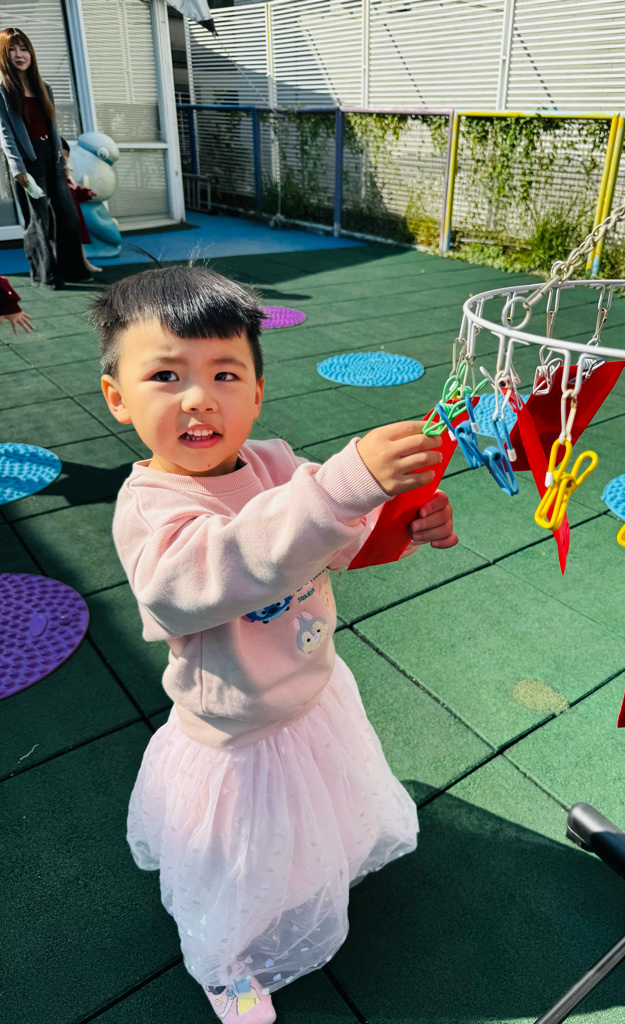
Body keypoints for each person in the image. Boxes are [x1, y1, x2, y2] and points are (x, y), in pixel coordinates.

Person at [94, 265, 458, 1023]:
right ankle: (226, 964)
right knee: (239, 861)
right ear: (118, 397)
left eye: (225, 374)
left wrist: (403, 523)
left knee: (315, 814)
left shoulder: (275, 462)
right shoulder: (150, 507)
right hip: (234, 730)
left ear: (256, 392)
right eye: (165, 375)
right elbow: (202, 576)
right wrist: (343, 488)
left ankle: (313, 872)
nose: (199, 398)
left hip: (311, 692)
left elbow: (338, 536)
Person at [0, 27, 90, 288]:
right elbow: (5, 132)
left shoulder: (44, 88)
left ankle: (73, 270)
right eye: (12, 50)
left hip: (52, 157)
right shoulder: (3, 90)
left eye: (24, 49)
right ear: (4, 55)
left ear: (31, 53)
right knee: (39, 221)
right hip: (26, 162)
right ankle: (46, 276)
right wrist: (17, 167)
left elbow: (51, 125)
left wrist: (60, 153)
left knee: (68, 216)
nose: (19, 55)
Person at [60, 136, 101, 275]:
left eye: (66, 155)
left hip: (74, 216)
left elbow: (75, 193)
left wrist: (86, 193)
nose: (65, 158)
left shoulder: (67, 177)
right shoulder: (55, 178)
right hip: (64, 218)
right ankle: (73, 267)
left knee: (78, 242)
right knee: (67, 244)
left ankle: (84, 263)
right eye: (61, 154)